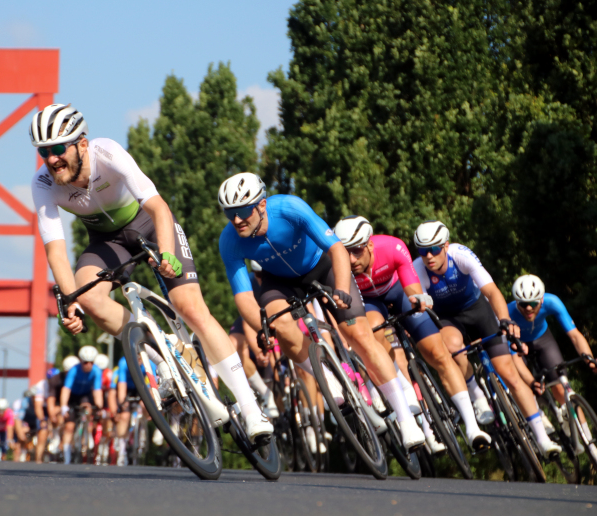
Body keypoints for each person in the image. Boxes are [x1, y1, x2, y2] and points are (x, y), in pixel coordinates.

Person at [29, 104, 272, 441]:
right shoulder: (42, 183)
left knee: (190, 307)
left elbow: (158, 207)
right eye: (44, 152)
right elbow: (55, 249)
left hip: (152, 226)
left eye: (58, 149)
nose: (52, 160)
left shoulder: (108, 153)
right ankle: (162, 352)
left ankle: (250, 408)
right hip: (107, 241)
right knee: (87, 296)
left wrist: (168, 255)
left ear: (81, 144)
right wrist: (72, 302)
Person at [217, 173, 424, 449]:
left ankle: (405, 418)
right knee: (279, 325)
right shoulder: (229, 240)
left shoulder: (290, 208)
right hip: (278, 282)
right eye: (229, 214)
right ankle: (327, 379)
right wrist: (262, 329)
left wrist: (341, 289)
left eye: (242, 211)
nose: (237, 220)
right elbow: (244, 299)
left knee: (360, 336)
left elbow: (337, 249)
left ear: (262, 205)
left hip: (321, 266)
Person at [333, 215, 491, 452]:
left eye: (356, 251)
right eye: (346, 253)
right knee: (374, 331)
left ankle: (472, 427)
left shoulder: (392, 247)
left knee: (438, 354)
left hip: (399, 292)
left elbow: (412, 285)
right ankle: (405, 389)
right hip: (370, 302)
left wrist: (419, 299)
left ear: (369, 245)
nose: (352, 260)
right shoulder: (339, 264)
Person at [412, 221, 561, 456]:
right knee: (451, 346)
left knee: (510, 374)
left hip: (478, 311)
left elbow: (491, 291)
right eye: (422, 251)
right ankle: (476, 394)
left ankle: (543, 439)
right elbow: (419, 304)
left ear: (446, 245)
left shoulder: (461, 256)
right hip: (449, 318)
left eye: (435, 249)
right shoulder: (418, 268)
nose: (428, 256)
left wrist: (505, 320)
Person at [508, 274, 596, 449]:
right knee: (524, 385)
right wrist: (531, 382)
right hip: (519, 347)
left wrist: (591, 361)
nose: (528, 309)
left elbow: (575, 336)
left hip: (543, 340)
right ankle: (538, 415)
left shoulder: (552, 302)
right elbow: (513, 358)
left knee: (563, 388)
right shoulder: (508, 313)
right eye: (522, 304)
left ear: (541, 300)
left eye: (533, 304)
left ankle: (589, 443)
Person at [228, 260, 279, 418]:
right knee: (233, 344)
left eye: (264, 274)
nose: (260, 278)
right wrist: (258, 351)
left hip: (275, 315)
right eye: (257, 274)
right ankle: (265, 392)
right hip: (252, 320)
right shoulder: (249, 281)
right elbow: (247, 322)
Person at [59, 346, 104, 464]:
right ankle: (67, 455)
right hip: (73, 396)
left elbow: (97, 390)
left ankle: (87, 431)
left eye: (91, 362)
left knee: (89, 408)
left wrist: (99, 406)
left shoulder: (96, 371)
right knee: (69, 426)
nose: (88, 365)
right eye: (85, 362)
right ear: (81, 361)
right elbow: (66, 390)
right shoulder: (74, 370)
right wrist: (64, 407)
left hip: (85, 395)